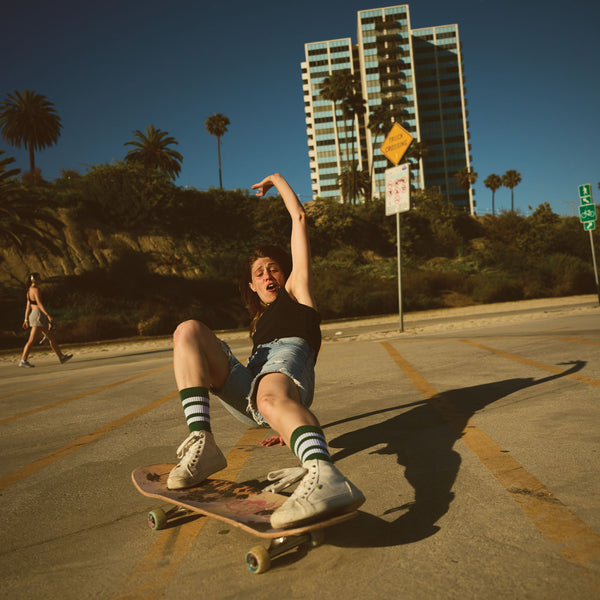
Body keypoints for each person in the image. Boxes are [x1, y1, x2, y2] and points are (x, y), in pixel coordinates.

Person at [168, 173, 365, 529]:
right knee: (188, 331)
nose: (267, 274)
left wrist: (276, 180)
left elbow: (299, 219)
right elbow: (279, 391)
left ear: (285, 273)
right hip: (255, 387)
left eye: (273, 267)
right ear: (252, 286)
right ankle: (203, 441)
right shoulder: (259, 323)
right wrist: (284, 421)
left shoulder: (297, 293)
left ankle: (326, 477)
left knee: (270, 397)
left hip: (284, 364)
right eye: (259, 273)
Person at [20, 273, 73, 368]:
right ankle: (23, 360)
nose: (40, 280)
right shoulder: (36, 290)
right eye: (39, 279)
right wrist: (48, 315)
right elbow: (39, 304)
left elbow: (28, 306)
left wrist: (26, 319)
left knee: (50, 338)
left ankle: (62, 357)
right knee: (32, 340)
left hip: (34, 315)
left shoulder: (29, 291)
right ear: (35, 280)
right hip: (38, 315)